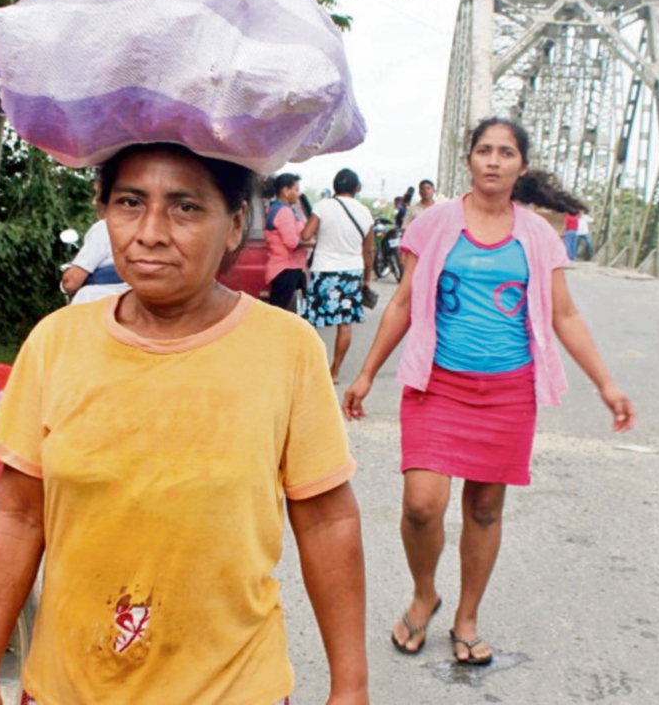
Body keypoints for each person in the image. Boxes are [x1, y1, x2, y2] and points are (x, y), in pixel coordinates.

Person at [0, 143, 368, 705]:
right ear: (104, 211)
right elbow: (18, 515)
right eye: (130, 202)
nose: (150, 232)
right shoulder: (57, 343)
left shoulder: (285, 349)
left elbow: (326, 522)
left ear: (234, 225)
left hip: (233, 690)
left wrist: (351, 686)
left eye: (186, 208)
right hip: (68, 688)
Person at [342, 117, 634, 666]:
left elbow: (565, 314)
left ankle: (466, 617)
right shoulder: (433, 225)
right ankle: (424, 592)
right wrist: (364, 373)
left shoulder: (538, 236)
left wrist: (606, 384)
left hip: (507, 391)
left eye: (505, 152)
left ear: (521, 165)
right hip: (438, 385)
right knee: (422, 504)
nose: (494, 161)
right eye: (484, 150)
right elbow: (403, 303)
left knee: (483, 508)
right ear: (469, 160)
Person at [301, 168, 375, 383]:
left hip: (323, 269)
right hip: (351, 271)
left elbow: (305, 234)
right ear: (357, 188)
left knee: (312, 321)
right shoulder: (364, 212)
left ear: (335, 186)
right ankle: (334, 372)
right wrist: (367, 279)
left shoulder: (322, 206)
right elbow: (368, 251)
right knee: (345, 324)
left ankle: (311, 368)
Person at [264, 172, 312, 311]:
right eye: (295, 190)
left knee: (279, 312)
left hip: (287, 269)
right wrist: (313, 243)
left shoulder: (274, 208)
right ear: (286, 190)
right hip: (285, 269)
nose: (298, 194)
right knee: (278, 314)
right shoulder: (284, 212)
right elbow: (292, 242)